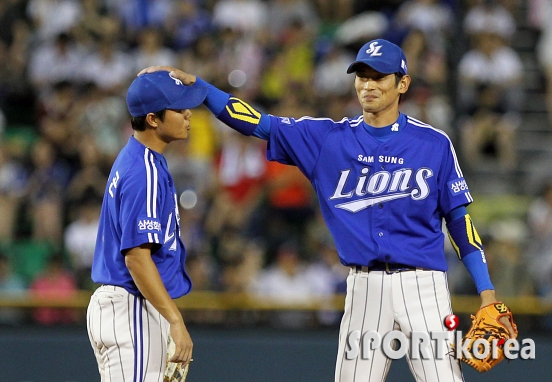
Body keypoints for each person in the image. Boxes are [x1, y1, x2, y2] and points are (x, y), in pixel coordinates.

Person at [140, 38, 516, 382]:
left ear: (402, 84)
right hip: (364, 285)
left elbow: (459, 220)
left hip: (423, 285)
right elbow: (257, 123)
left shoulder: (434, 144)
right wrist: (204, 91)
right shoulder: (327, 139)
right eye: (362, 76)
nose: (367, 84)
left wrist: (486, 291)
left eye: (379, 76)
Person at [86, 71, 207, 380]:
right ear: (153, 119)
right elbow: (137, 257)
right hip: (131, 306)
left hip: (129, 305)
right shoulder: (144, 170)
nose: (188, 114)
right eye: (179, 110)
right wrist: (175, 321)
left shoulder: (138, 157)